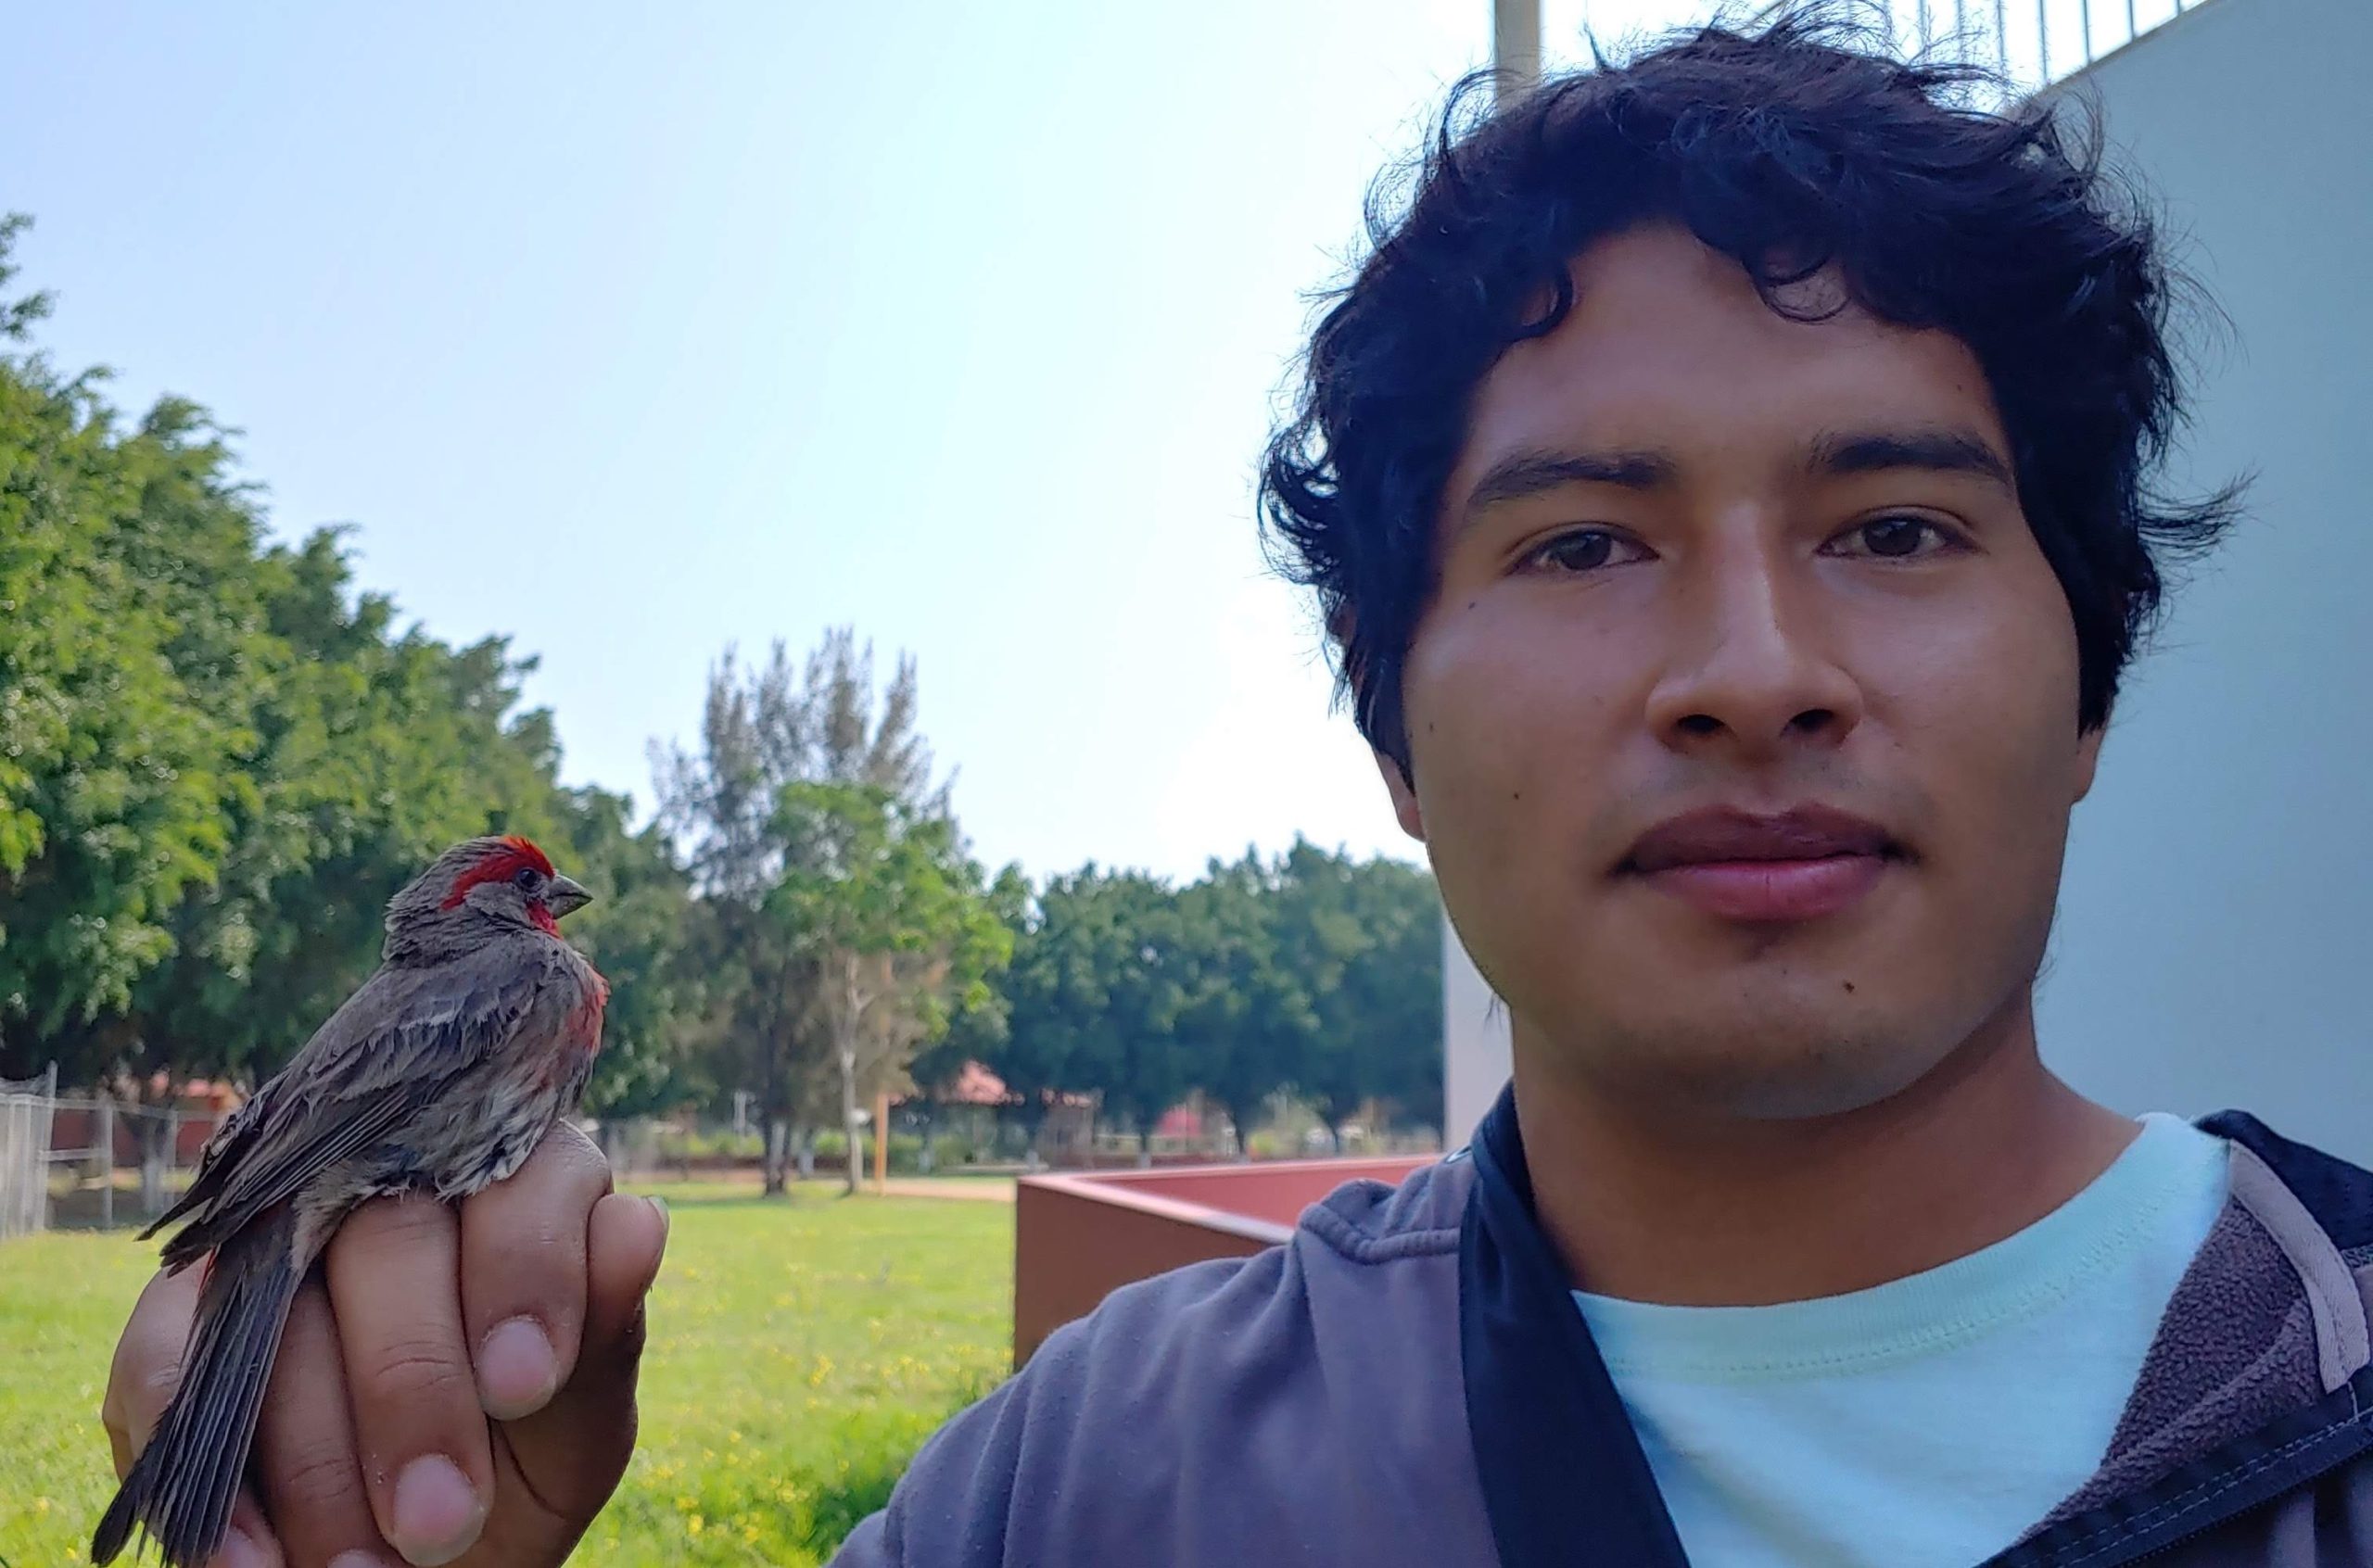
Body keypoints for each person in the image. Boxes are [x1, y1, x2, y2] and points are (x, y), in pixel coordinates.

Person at [103, 14, 2373, 1568]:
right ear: (1388, 733)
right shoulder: (1079, 1493)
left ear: (2088, 676)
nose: (1748, 674)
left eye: (1890, 525)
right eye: (1580, 545)